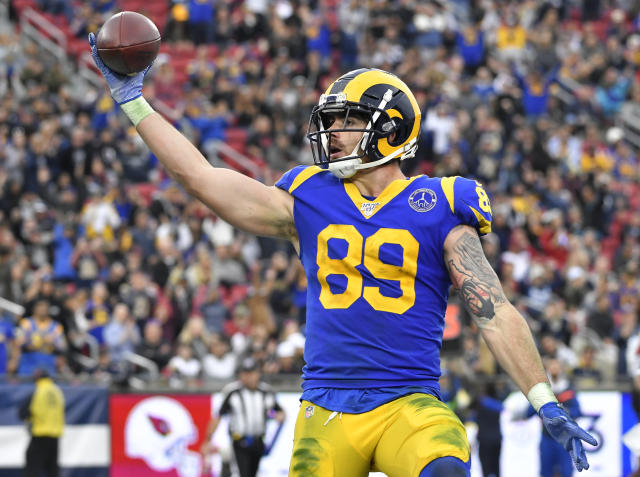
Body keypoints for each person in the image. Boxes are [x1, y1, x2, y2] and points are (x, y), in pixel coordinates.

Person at [88, 34, 597, 475]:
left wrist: (543, 398)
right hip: (325, 409)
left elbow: (493, 309)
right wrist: (134, 102)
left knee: (445, 465)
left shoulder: (441, 202)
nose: (331, 134)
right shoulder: (310, 196)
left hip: (408, 401)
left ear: (390, 130)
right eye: (331, 122)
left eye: (347, 121)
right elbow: (199, 177)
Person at [201, 357, 285, 477]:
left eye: (251, 373)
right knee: (241, 473)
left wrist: (276, 416)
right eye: (245, 373)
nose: (248, 377)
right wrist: (208, 439)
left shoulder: (266, 391)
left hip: (258, 441)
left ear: (257, 373)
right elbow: (218, 415)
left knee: (252, 473)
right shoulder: (232, 391)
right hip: (239, 441)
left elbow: (279, 412)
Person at [18, 367, 65, 477]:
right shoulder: (57, 391)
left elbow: (22, 413)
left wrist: (30, 419)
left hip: (40, 434)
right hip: (55, 436)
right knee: (53, 470)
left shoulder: (37, 391)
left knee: (32, 469)